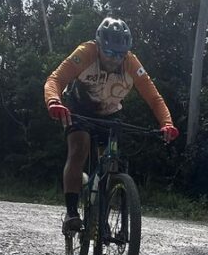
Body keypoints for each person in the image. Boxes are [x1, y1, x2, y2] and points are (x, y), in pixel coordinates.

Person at [43, 18, 179, 233]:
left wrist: (167, 124)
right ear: (99, 45)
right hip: (79, 108)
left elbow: (154, 98)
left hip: (110, 113)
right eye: (109, 53)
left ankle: (100, 212)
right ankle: (71, 214)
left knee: (111, 163)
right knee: (79, 149)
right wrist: (54, 101)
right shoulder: (86, 52)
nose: (115, 59)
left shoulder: (132, 63)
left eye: (120, 54)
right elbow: (55, 80)